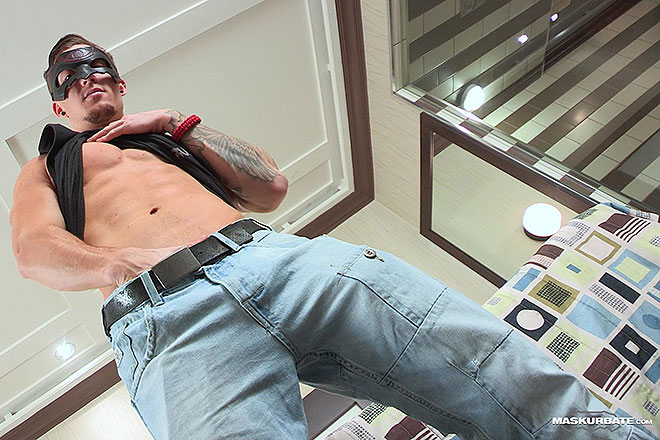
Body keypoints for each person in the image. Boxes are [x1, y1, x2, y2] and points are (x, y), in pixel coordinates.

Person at [9, 34, 653, 440]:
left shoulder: (172, 138)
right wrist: (127, 266)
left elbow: (271, 188)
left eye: (98, 65)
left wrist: (177, 124)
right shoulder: (47, 167)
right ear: (58, 105)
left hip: (277, 259)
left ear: (119, 82)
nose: (86, 76)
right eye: (67, 76)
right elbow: (34, 251)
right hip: (166, 318)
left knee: (503, 367)